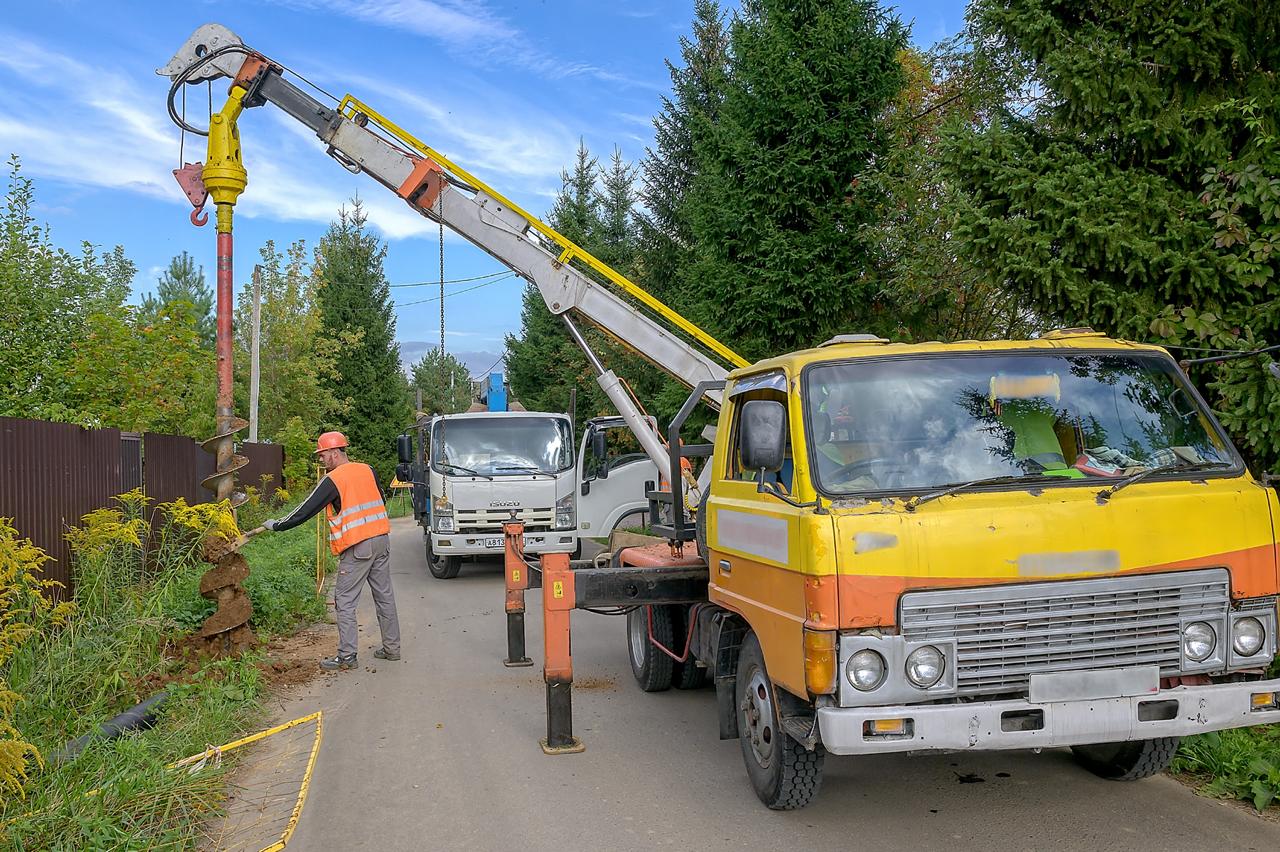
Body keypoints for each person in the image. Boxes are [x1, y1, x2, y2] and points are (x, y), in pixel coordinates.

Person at [265, 431, 401, 671]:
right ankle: (392, 649)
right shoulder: (367, 469)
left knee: (344, 600)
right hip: (381, 539)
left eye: (323, 454)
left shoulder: (334, 479)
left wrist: (278, 525)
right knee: (384, 595)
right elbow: (379, 498)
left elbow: (305, 509)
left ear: (335, 453)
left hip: (358, 546)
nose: (321, 460)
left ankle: (347, 657)